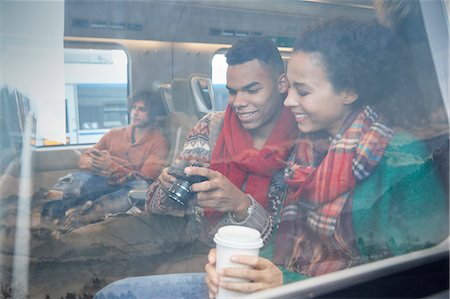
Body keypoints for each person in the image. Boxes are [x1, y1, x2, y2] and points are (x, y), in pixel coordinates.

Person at [95, 18, 448, 299]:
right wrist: (240, 267)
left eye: (301, 90)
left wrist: (283, 280)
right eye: (290, 87)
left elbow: (413, 280)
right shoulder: (312, 150)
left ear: (349, 91)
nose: (289, 100)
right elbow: (279, 241)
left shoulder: (404, 160)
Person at [42, 36, 297, 274]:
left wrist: (240, 204)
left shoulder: (302, 145)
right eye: (232, 91)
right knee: (85, 241)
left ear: (281, 84)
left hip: (241, 251)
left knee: (157, 272)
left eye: (252, 90)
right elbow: (158, 203)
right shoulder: (210, 127)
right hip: (186, 226)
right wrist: (165, 188)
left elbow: (284, 242)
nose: (238, 102)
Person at [43, 90, 169, 230]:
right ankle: (47, 220)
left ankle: (82, 217)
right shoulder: (114, 134)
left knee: (140, 187)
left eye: (142, 109)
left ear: (152, 114)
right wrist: (94, 164)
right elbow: (83, 159)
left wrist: (111, 166)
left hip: (123, 187)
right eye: (133, 107)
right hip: (100, 180)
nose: (135, 112)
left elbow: (146, 179)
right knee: (72, 179)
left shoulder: (158, 142)